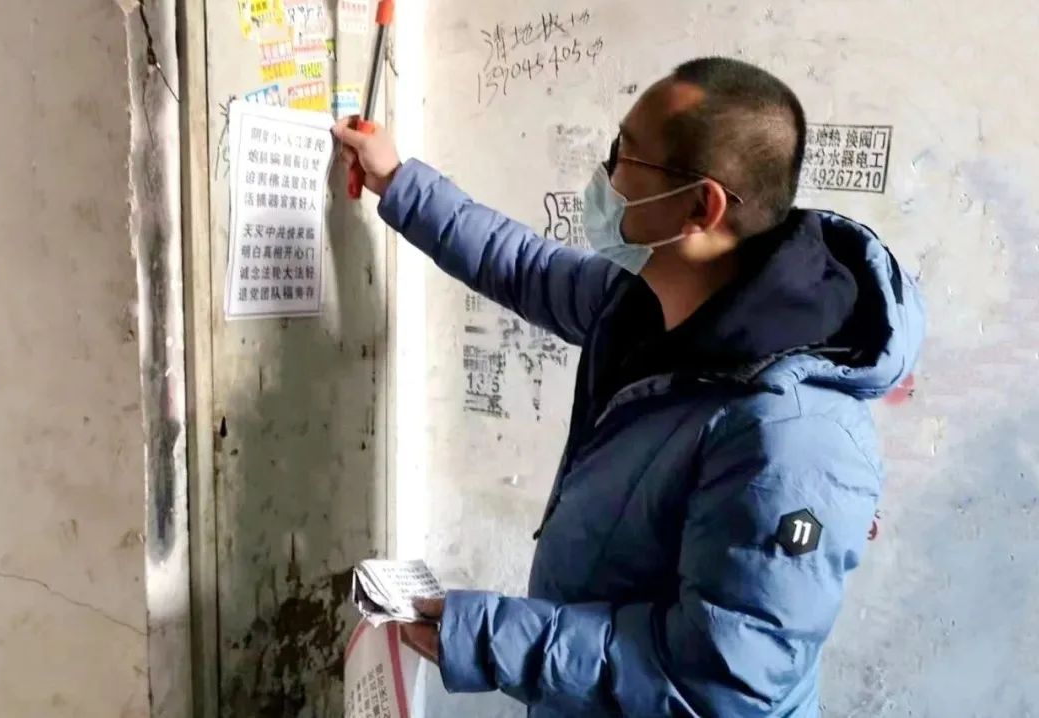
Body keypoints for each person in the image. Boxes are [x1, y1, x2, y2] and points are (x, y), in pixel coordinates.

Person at [333, 56, 924, 718]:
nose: (604, 178)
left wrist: (490, 639)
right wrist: (397, 180)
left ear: (701, 206)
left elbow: (717, 684)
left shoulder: (792, 437)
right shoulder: (646, 301)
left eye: (624, 155)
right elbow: (522, 265)